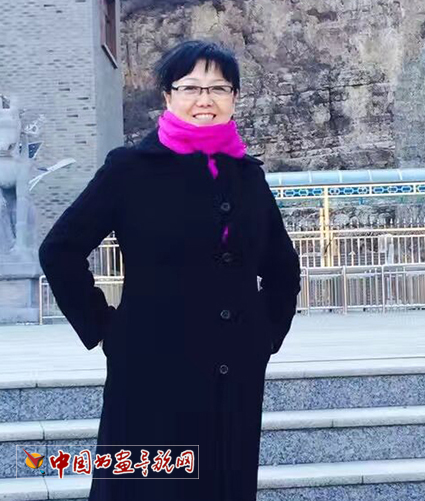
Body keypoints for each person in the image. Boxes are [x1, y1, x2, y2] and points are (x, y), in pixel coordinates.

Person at [38, 39, 301, 501]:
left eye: (219, 88)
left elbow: (282, 267)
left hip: (233, 371)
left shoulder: (247, 176)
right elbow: (60, 250)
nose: (205, 99)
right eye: (191, 87)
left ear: (234, 97)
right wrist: (105, 328)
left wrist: (265, 334)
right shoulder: (131, 169)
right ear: (168, 96)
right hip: (151, 369)